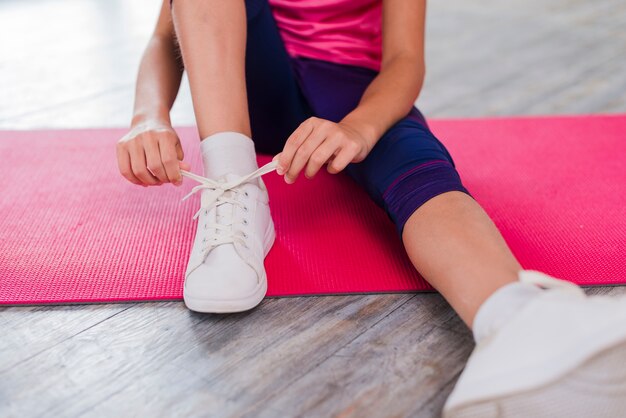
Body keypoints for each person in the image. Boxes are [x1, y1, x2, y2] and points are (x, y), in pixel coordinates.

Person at [115, 0, 626, 416]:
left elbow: (405, 60)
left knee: (421, 170)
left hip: (356, 91)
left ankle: (515, 317)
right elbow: (166, 37)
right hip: (247, 92)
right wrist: (146, 116)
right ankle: (232, 181)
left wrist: (362, 126)